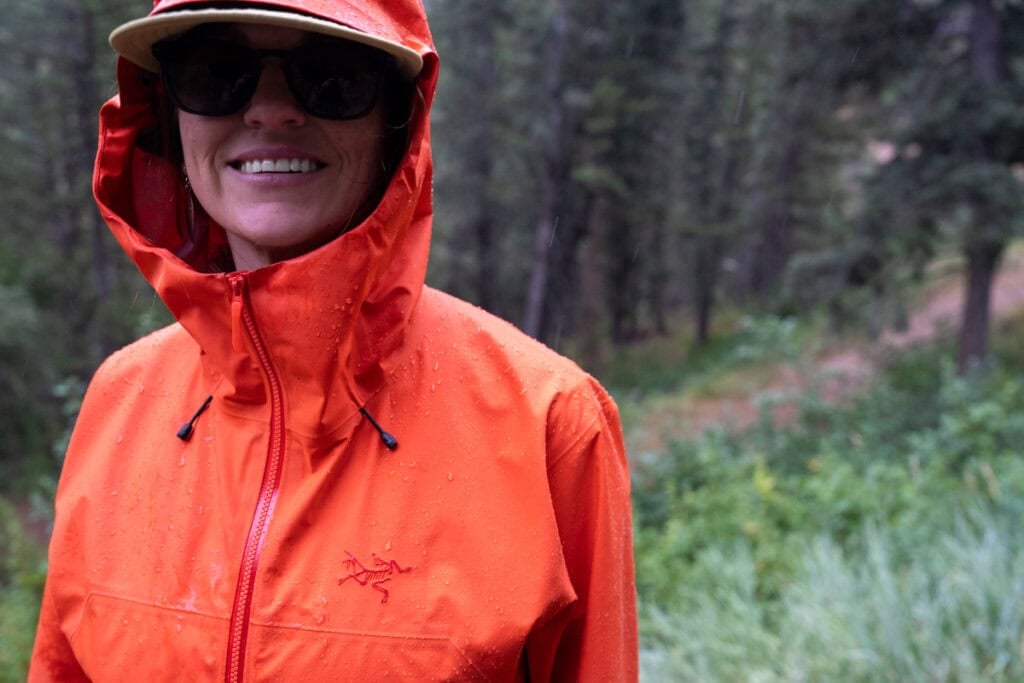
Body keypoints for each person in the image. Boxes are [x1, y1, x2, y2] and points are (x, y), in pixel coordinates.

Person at [29, 0, 637, 680]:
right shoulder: (119, 399)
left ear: (395, 123)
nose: (270, 109)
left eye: (330, 75)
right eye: (214, 72)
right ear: (169, 114)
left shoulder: (548, 423)